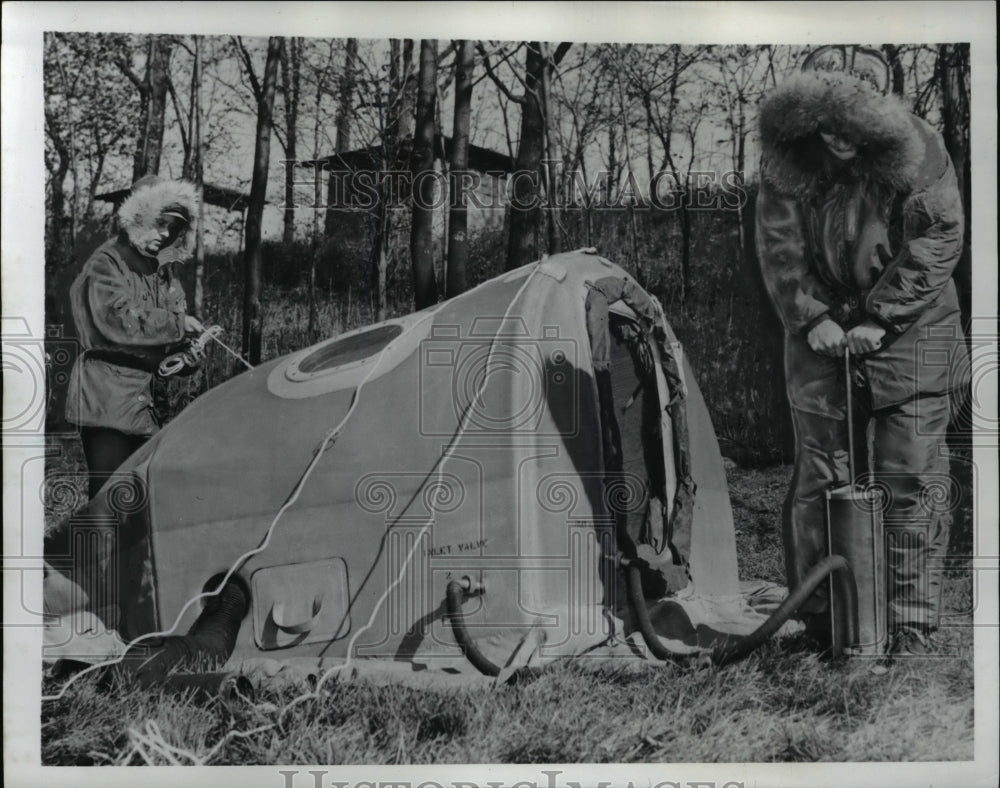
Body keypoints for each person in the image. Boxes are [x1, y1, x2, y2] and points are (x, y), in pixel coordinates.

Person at [754, 46, 968, 656]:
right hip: (820, 337)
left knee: (909, 475)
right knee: (822, 478)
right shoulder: (787, 158)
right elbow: (779, 243)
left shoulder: (921, 149)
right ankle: (824, 618)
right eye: (824, 125)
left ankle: (910, 623)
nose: (837, 139)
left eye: (850, 125)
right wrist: (810, 315)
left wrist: (880, 316)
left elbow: (937, 239)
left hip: (914, 330)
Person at [65, 174, 204, 499]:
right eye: (159, 223)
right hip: (105, 404)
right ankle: (99, 550)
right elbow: (116, 321)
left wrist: (188, 358)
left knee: (146, 498)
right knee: (108, 499)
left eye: (172, 226)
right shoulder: (105, 264)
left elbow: (171, 341)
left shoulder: (164, 275)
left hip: (146, 409)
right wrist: (177, 324)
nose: (166, 234)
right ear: (135, 218)